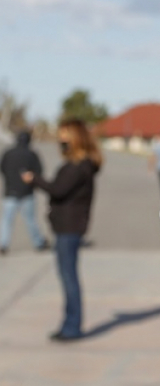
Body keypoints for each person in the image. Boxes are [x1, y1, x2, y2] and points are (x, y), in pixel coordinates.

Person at [22, 119, 102, 342]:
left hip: (69, 227)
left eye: (65, 135)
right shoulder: (81, 164)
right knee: (67, 276)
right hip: (68, 226)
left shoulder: (78, 166)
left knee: (69, 277)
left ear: (75, 137)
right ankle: (69, 323)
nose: (61, 139)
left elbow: (58, 190)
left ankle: (72, 327)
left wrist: (34, 179)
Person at [0, 130, 48, 255]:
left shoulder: (8, 153)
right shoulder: (31, 154)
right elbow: (38, 172)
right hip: (27, 192)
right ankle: (38, 243)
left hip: (10, 191)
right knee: (30, 220)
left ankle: (3, 244)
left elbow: (3, 169)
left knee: (6, 220)